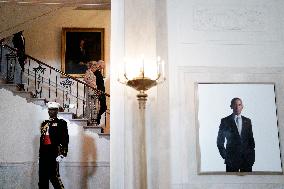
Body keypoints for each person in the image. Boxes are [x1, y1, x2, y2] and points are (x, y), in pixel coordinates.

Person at [217, 97, 255, 172]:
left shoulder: (247, 121)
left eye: (239, 105)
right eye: (235, 105)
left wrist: (252, 157)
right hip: (231, 161)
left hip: (246, 160)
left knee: (248, 182)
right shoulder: (225, 121)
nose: (237, 107)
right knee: (231, 182)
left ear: (242, 107)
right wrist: (225, 156)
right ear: (231, 106)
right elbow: (220, 142)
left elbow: (251, 140)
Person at [38, 102, 69, 188]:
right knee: (42, 178)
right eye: (49, 110)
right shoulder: (44, 123)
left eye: (53, 110)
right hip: (44, 153)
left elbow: (65, 139)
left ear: (57, 111)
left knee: (54, 176)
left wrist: (62, 154)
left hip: (53, 152)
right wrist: (40, 156)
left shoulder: (61, 123)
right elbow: (42, 140)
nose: (51, 112)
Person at [93, 60, 107, 125]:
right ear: (100, 64)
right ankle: (97, 119)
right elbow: (95, 82)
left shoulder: (98, 72)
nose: (104, 66)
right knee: (103, 107)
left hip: (102, 92)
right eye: (103, 64)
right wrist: (97, 90)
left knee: (103, 107)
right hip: (99, 92)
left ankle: (97, 119)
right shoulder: (96, 72)